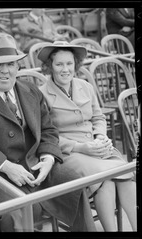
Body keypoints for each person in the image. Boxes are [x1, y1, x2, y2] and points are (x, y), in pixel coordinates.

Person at [0, 33, 96, 232]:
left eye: (10, 64)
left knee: (73, 183)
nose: (5, 71)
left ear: (18, 66)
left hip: (36, 166)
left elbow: (48, 129)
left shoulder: (30, 90)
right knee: (16, 210)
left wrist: (48, 158)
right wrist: (6, 166)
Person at [38, 41, 137, 231]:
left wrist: (100, 135)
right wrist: (79, 147)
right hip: (69, 153)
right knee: (107, 176)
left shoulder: (85, 86)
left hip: (96, 146)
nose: (65, 69)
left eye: (69, 63)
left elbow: (98, 117)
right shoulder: (41, 94)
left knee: (124, 174)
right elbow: (45, 135)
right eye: (59, 64)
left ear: (75, 64)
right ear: (50, 67)